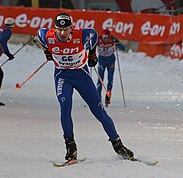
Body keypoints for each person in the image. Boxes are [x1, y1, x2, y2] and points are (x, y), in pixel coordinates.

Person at [37, 13, 133, 162]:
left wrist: (92, 54)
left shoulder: (80, 35)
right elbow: (39, 33)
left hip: (81, 76)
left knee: (99, 111)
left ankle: (118, 144)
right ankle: (71, 147)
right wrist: (46, 51)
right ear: (55, 28)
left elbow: (94, 34)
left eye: (66, 29)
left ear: (71, 28)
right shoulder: (47, 36)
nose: (62, 33)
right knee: (65, 105)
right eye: (59, 29)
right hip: (63, 76)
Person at [96, 29, 125, 106]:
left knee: (110, 79)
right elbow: (89, 46)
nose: (106, 39)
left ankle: (107, 97)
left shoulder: (113, 38)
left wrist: (118, 44)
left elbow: (123, 48)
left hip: (111, 61)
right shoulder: (98, 39)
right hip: (102, 60)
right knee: (100, 79)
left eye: (107, 38)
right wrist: (89, 45)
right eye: (104, 37)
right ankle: (98, 98)